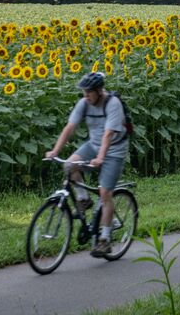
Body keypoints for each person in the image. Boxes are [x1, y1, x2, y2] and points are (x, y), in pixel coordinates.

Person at [45, 71, 128, 257]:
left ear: (99, 90)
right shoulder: (84, 103)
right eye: (84, 92)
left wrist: (100, 158)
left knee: (105, 192)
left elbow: (108, 134)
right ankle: (83, 199)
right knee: (69, 165)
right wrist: (55, 151)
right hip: (93, 145)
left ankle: (105, 240)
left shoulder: (113, 104)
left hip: (114, 149)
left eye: (89, 92)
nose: (86, 95)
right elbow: (70, 128)